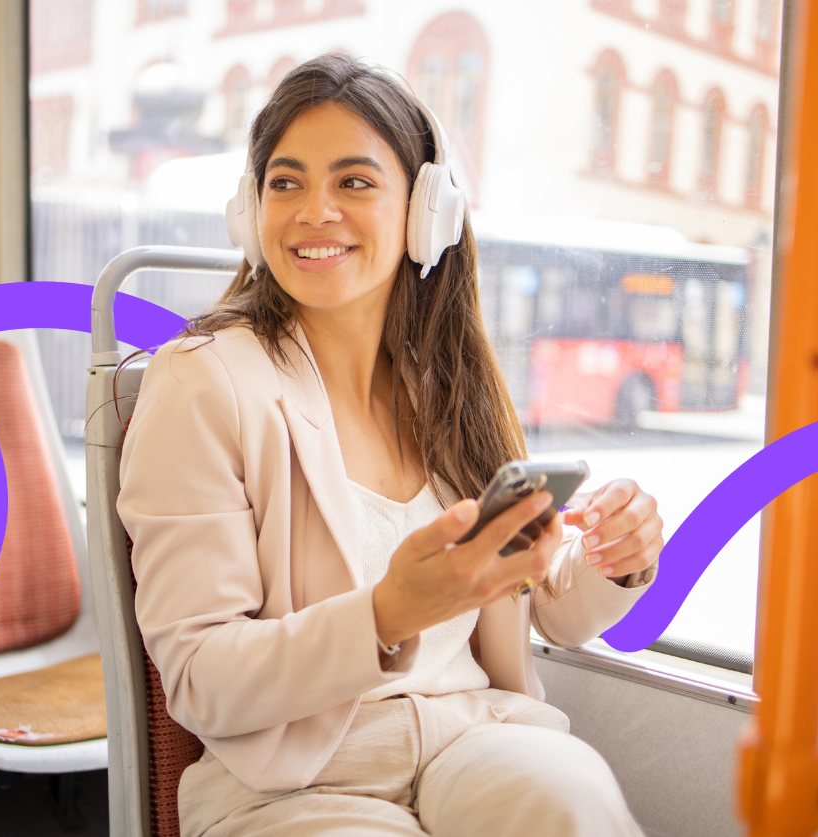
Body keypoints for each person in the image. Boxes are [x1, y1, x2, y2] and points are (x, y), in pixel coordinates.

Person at [117, 54, 664, 837]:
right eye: (286, 182)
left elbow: (548, 608)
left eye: (355, 181)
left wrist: (621, 559)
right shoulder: (203, 382)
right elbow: (202, 680)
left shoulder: (450, 384)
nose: (315, 210)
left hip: (475, 737)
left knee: (573, 803)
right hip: (296, 784)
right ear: (250, 209)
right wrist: (385, 613)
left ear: (425, 211)